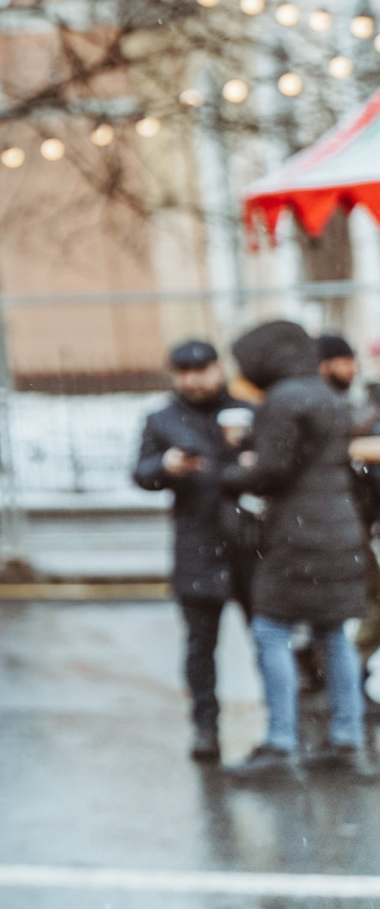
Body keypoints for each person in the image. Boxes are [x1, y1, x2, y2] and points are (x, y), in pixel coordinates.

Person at [225, 320, 372, 780]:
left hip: (296, 533)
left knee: (271, 632)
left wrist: (233, 470)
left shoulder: (281, 400)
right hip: (341, 528)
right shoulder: (328, 396)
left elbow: (272, 471)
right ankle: (348, 741)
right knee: (334, 634)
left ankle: (280, 745)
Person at [133, 338, 254, 762]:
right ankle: (206, 728)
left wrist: (248, 457)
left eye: (200, 370)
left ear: (218, 370)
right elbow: (141, 473)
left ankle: (283, 725)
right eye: (184, 372)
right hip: (197, 546)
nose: (193, 380)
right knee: (201, 645)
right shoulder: (162, 419)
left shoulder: (245, 412)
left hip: (249, 545)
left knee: (270, 637)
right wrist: (166, 466)